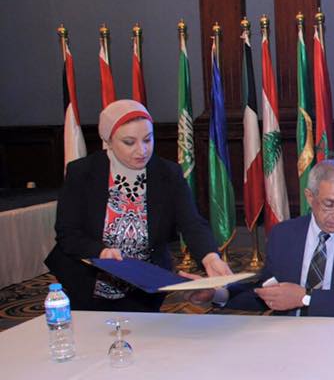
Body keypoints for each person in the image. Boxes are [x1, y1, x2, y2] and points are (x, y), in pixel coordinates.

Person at [44, 99, 231, 311]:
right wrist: (101, 252)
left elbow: (192, 223)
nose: (142, 150)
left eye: (148, 139)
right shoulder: (82, 173)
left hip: (145, 285)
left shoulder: (168, 173)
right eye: (129, 142)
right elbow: (68, 232)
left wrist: (210, 257)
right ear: (108, 140)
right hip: (87, 283)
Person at [219, 160, 334, 317]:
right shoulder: (283, 234)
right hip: (289, 332)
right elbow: (268, 291)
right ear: (310, 197)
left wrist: (305, 297)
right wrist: (221, 294)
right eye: (329, 204)